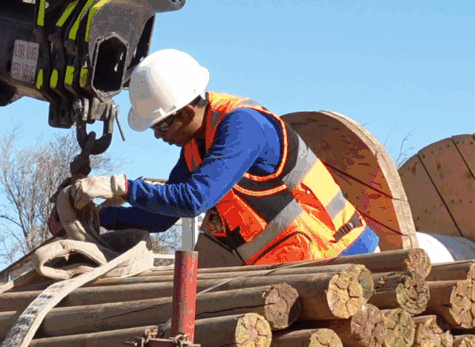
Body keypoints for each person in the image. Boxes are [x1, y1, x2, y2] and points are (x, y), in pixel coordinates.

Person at [60, 48, 380, 264]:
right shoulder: (196, 148)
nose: (160, 137)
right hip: (305, 267)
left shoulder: (244, 126)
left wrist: (121, 187)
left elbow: (193, 199)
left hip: (346, 258)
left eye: (161, 127)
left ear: (185, 113)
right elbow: (163, 217)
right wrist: (100, 218)